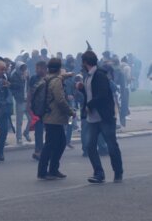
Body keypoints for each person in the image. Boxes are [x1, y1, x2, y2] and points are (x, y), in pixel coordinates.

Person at [77, 50, 124, 183]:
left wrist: (89, 105)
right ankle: (98, 173)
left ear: (85, 62)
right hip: (93, 117)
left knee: (111, 145)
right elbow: (91, 92)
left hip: (104, 116)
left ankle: (118, 171)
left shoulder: (99, 75)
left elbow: (102, 95)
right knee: (90, 146)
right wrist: (82, 88)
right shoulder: (88, 76)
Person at [37, 58, 75, 180]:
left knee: (57, 143)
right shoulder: (57, 81)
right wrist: (70, 112)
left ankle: (52, 169)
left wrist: (65, 75)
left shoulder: (47, 78)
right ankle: (45, 171)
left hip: (49, 116)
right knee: (52, 145)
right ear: (59, 68)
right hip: (55, 117)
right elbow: (60, 100)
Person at [28, 60, 48, 160]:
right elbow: (30, 92)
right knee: (38, 131)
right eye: (36, 68)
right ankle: (38, 150)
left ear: (44, 68)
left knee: (49, 131)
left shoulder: (49, 78)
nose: (36, 70)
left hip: (48, 109)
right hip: (37, 109)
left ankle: (47, 150)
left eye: (38, 68)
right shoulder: (33, 79)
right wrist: (29, 104)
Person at [9, 62, 31, 144]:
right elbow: (13, 87)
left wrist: (27, 78)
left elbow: (29, 84)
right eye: (22, 69)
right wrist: (22, 80)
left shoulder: (27, 73)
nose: (23, 71)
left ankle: (26, 132)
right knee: (19, 121)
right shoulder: (14, 75)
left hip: (27, 100)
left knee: (31, 119)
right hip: (20, 100)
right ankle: (19, 138)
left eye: (24, 69)